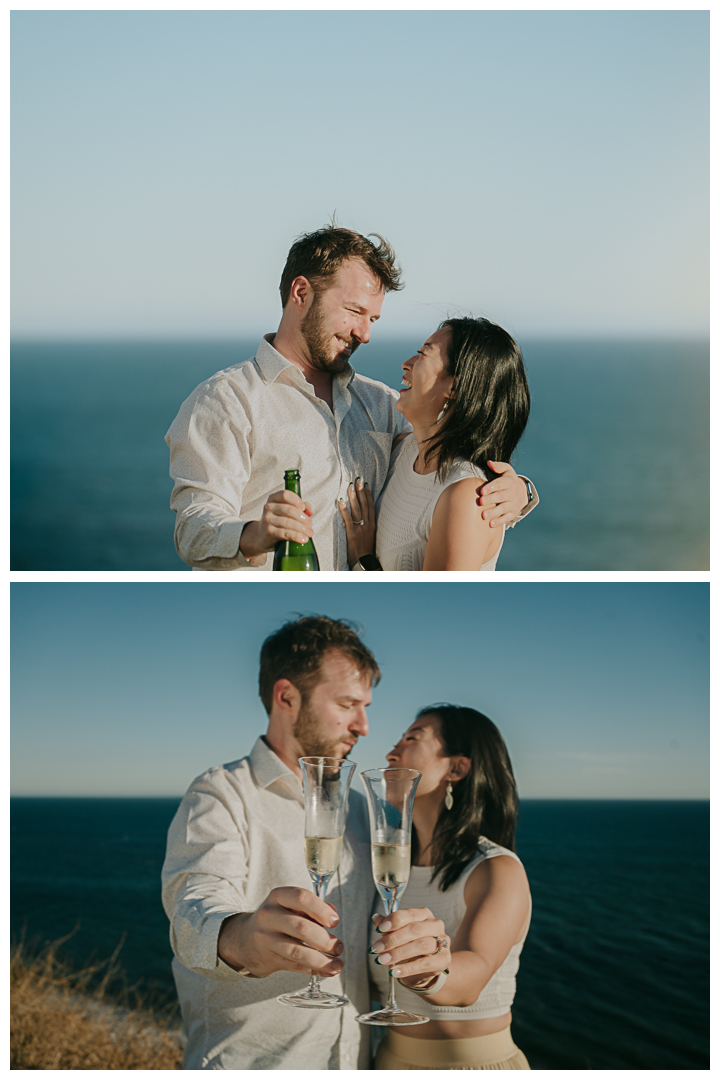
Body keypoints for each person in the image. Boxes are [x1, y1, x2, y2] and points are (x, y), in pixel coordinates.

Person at [165, 225, 536, 571]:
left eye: (373, 318)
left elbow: (454, 453)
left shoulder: (383, 404)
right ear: (301, 293)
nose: (365, 333)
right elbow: (192, 528)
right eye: (355, 311)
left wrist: (520, 491)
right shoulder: (227, 401)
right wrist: (255, 534)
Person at [161, 615, 381, 1069]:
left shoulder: (358, 806)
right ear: (286, 697)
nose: (363, 725)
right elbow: (194, 909)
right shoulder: (221, 794)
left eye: (367, 707)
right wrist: (244, 939)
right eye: (347, 704)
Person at [366, 705, 532, 1070]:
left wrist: (428, 969)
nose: (391, 752)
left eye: (412, 738)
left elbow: (472, 974)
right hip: (389, 1063)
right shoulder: (389, 872)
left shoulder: (495, 869)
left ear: (456, 768)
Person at [339, 317, 535, 571]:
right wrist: (525, 490)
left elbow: (432, 606)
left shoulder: (466, 497)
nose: (406, 364)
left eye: (422, 354)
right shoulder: (402, 450)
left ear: (456, 386)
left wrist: (362, 558)